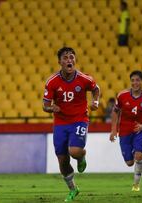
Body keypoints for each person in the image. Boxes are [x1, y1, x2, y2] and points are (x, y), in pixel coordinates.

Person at [42, 47, 100, 202]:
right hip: (60, 123)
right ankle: (73, 189)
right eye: (65, 58)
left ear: (75, 60)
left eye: (71, 57)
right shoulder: (52, 82)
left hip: (79, 119)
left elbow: (96, 89)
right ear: (60, 62)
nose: (69, 60)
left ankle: (82, 157)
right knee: (62, 160)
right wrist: (50, 108)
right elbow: (45, 105)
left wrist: (96, 101)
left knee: (74, 151)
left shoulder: (84, 79)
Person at [109, 70, 142, 192]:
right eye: (133, 80)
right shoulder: (122, 96)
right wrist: (113, 130)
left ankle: (136, 185)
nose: (135, 83)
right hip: (124, 131)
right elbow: (115, 112)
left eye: (138, 80)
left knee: (138, 156)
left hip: (139, 130)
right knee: (130, 162)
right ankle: (139, 152)